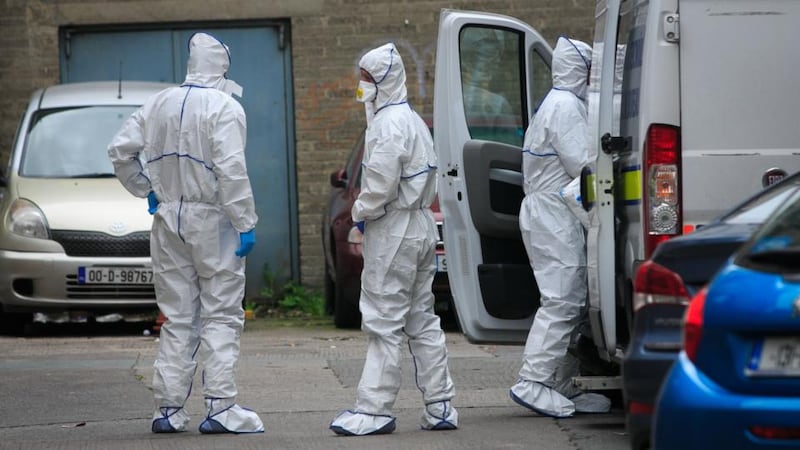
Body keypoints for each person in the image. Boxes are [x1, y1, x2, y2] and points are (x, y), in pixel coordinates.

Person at [108, 32, 263, 434]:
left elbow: (120, 151)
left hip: (169, 219)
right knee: (222, 313)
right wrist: (245, 222)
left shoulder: (158, 102)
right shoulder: (224, 107)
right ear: (222, 66)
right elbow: (231, 170)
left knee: (178, 316)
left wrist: (150, 190)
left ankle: (169, 409)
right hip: (213, 220)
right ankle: (221, 407)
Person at [329, 42, 458, 436]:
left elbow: (380, 186)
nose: (361, 86)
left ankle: (374, 408)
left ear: (383, 81)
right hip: (419, 226)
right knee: (421, 318)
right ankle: (440, 406)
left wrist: (359, 212)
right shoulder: (413, 120)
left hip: (394, 229)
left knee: (383, 321)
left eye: (366, 79)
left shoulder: (387, 125)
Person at [509, 37, 611, 418]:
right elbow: (584, 166)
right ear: (582, 71)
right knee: (562, 299)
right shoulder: (567, 106)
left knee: (573, 299)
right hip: (553, 214)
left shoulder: (556, 102)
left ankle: (560, 385)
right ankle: (533, 381)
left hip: (550, 213)